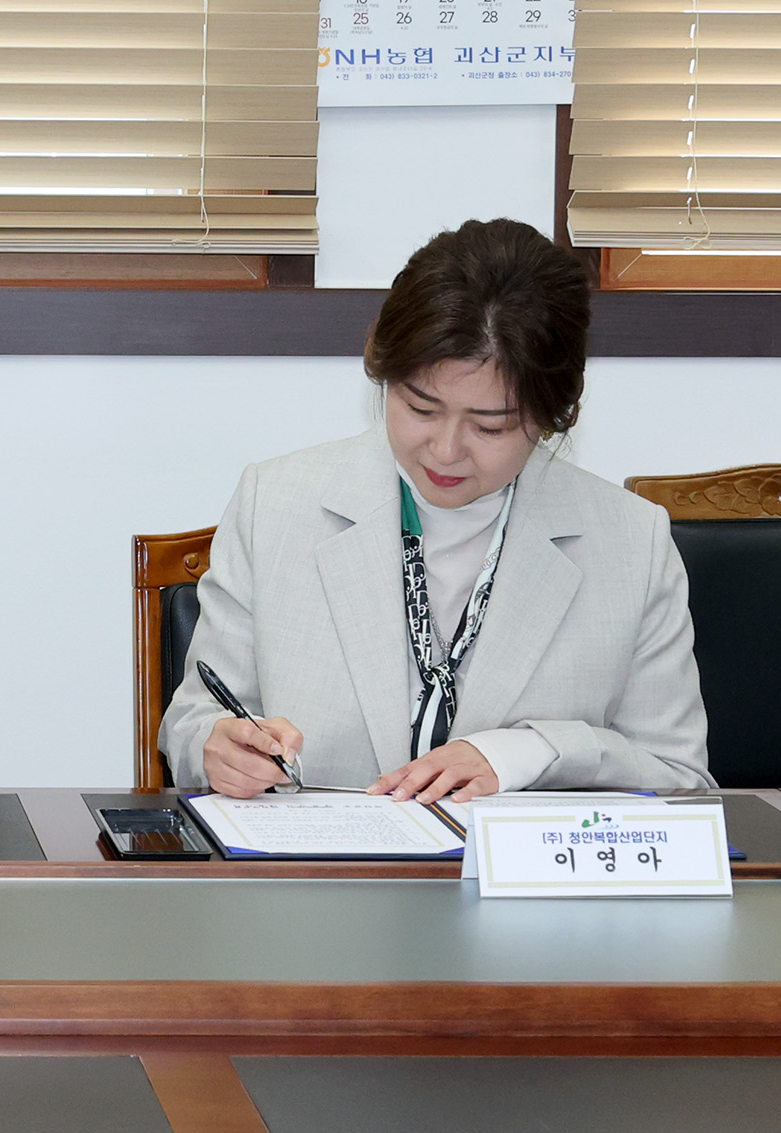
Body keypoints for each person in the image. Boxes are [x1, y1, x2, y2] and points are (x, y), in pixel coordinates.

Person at [159, 218, 709, 800]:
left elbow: (679, 777)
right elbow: (194, 720)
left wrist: (530, 751)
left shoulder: (631, 541)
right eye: (421, 408)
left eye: (490, 425)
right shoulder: (274, 503)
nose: (446, 451)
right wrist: (215, 748)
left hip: (523, 890)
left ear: (553, 415)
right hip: (327, 879)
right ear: (384, 374)